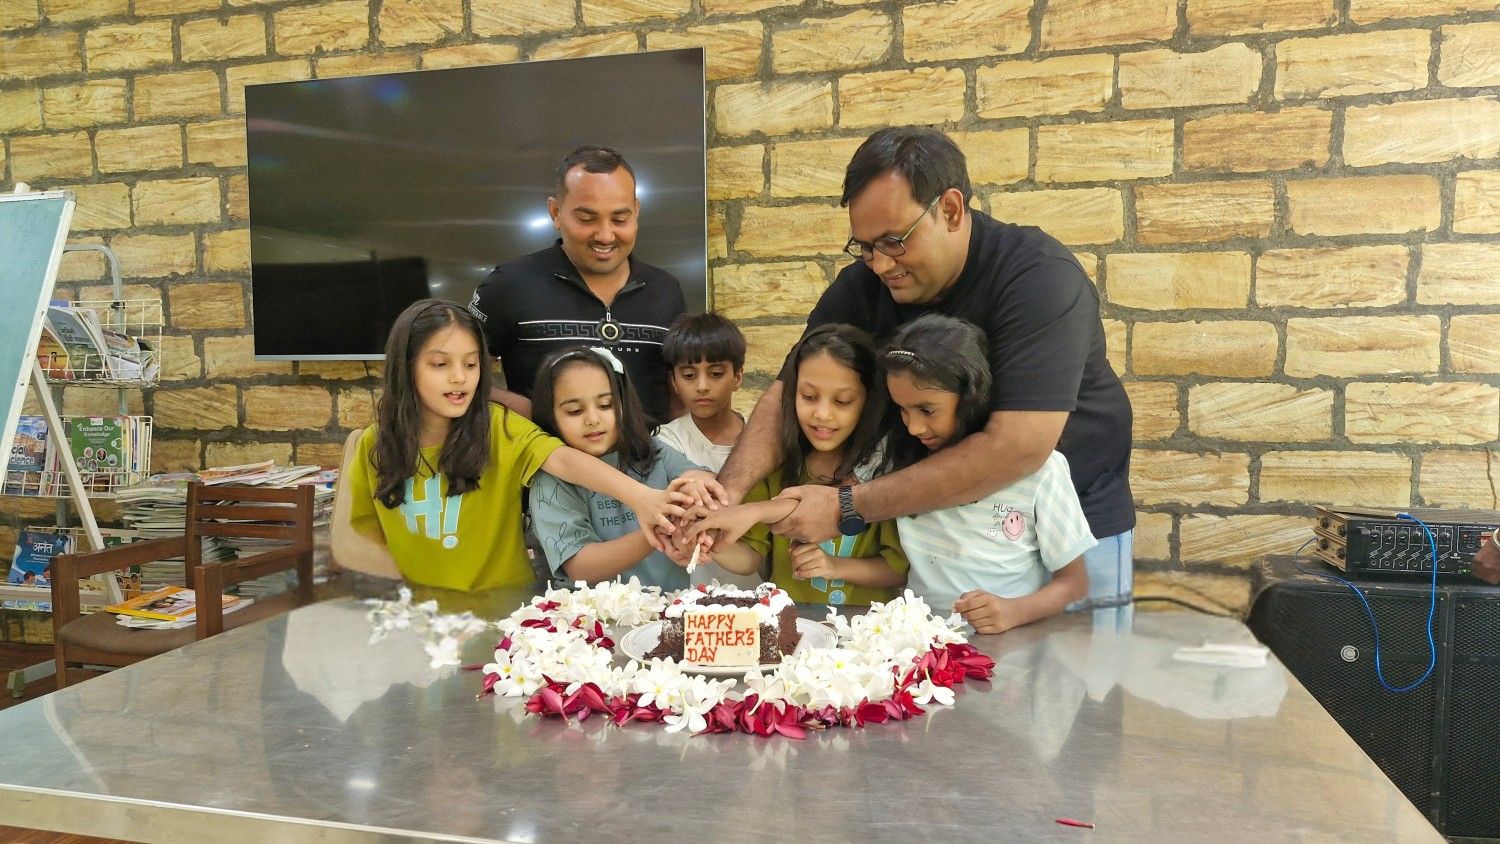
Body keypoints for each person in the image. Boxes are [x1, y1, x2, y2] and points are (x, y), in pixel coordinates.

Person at [713, 126, 1135, 610]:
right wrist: (726, 497)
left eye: (893, 241)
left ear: (950, 209)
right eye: (864, 246)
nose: (878, 264)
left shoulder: (1038, 278)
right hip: (939, 540)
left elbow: (1018, 447)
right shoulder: (862, 287)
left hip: (1068, 537)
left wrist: (847, 508)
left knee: (1078, 680)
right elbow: (786, 393)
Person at [333, 300, 689, 593]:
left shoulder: (499, 427)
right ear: (405, 367)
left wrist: (641, 498)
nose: (460, 377)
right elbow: (363, 534)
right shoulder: (373, 444)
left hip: (504, 611)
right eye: (441, 364)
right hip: (425, 619)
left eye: (471, 364)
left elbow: (564, 461)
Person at [878, 314, 1092, 633]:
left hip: (1010, 650)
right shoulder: (898, 459)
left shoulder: (1041, 470)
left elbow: (1074, 584)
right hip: (920, 648)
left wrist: (1012, 612)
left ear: (970, 397)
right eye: (902, 409)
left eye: (927, 410)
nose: (913, 427)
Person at [690, 324, 907, 606]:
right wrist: (708, 542)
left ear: (868, 403)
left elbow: (897, 569)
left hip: (866, 634)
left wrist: (834, 567)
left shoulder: (885, 476)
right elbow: (749, 558)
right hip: (796, 633)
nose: (822, 414)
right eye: (808, 397)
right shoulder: (774, 470)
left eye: (842, 401)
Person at [468, 145, 685, 422]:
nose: (606, 235)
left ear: (637, 212)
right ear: (556, 213)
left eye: (620, 218)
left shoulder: (666, 290)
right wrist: (535, 414)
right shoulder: (508, 285)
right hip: (549, 461)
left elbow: (682, 391)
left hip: (652, 462)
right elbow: (460, 379)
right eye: (587, 218)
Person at [526, 346, 718, 591]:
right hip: (592, 622)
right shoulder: (553, 479)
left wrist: (695, 489)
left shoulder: (651, 450)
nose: (593, 419)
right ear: (550, 415)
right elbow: (581, 566)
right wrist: (662, 531)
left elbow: (696, 475)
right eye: (575, 411)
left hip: (667, 612)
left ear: (624, 404)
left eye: (605, 405)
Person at [656, 312, 747, 471]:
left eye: (716, 373)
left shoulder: (760, 435)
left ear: (737, 377)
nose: (702, 386)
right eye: (689, 375)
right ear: (674, 382)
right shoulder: (666, 441)